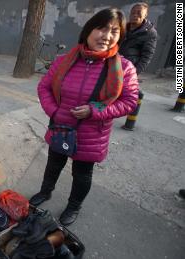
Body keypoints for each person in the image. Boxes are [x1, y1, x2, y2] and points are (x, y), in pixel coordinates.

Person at [30, 8, 139, 226]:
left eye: (114, 31)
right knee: (53, 164)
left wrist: (95, 110)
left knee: (82, 174)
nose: (107, 36)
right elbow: (44, 88)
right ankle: (45, 191)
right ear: (88, 30)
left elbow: (129, 102)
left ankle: (74, 206)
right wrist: (54, 111)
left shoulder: (124, 68)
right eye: (102, 28)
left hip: (91, 135)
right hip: (60, 127)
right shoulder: (63, 60)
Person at [119, 2, 157, 131]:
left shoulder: (150, 33)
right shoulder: (124, 27)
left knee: (132, 94)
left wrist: (134, 73)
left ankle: (130, 122)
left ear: (145, 15)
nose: (135, 15)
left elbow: (146, 56)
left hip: (129, 68)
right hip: (115, 64)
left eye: (138, 13)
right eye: (133, 12)